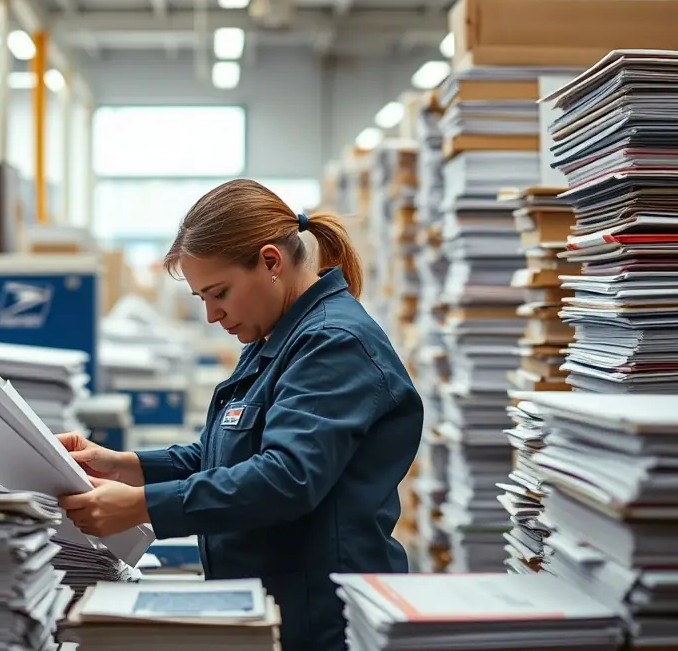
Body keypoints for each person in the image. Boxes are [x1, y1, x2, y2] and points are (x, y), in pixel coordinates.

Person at [57, 178, 423, 651]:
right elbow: (228, 452)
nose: (212, 314)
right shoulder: (273, 334)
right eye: (202, 299)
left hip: (320, 617)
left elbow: (287, 477)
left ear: (270, 262)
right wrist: (123, 465)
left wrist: (141, 506)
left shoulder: (333, 343)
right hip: (274, 606)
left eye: (220, 293)